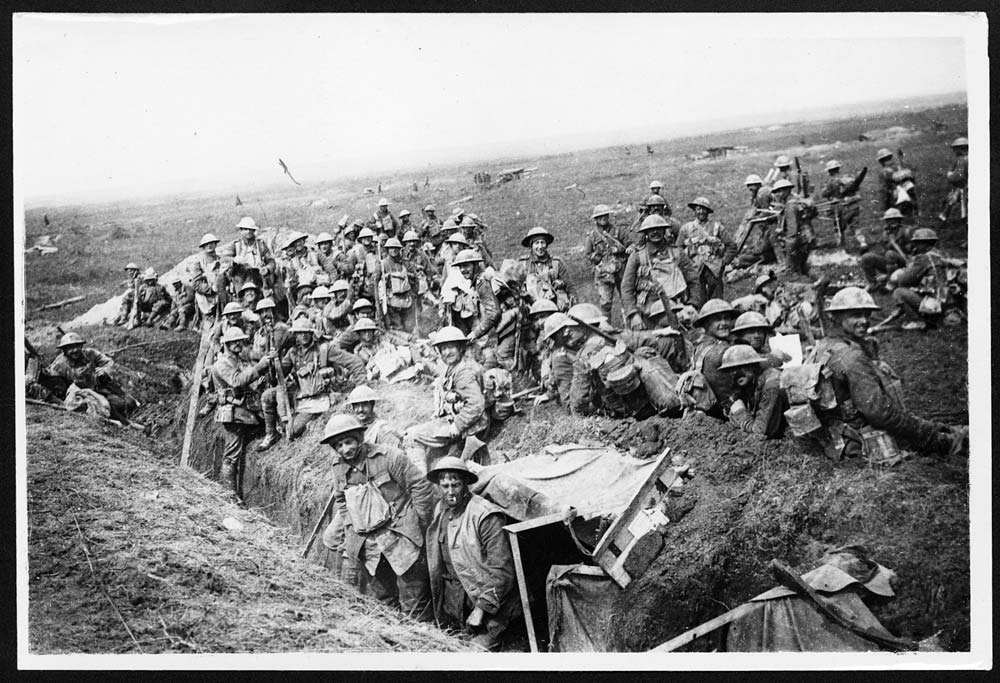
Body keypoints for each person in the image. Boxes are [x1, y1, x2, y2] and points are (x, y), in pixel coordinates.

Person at [805, 287, 966, 459]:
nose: (864, 321)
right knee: (952, 441)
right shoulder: (851, 357)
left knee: (939, 428)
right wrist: (927, 432)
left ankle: (941, 429)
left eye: (866, 314)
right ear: (836, 317)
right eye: (855, 315)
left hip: (830, 432)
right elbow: (880, 414)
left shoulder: (824, 345)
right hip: (854, 438)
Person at [320, 414, 434, 621]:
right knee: (383, 600)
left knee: (414, 598)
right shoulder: (339, 469)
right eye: (338, 445)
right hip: (371, 545)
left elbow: (420, 486)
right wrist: (351, 525)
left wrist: (420, 523)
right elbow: (341, 500)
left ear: (359, 438)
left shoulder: (388, 457)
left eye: (348, 442)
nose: (345, 449)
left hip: (401, 537)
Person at [425, 457, 520, 651]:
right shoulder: (440, 511)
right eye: (444, 486)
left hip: (492, 608)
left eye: (455, 485)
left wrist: (480, 610)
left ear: (466, 484)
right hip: (457, 604)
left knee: (474, 654)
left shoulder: (485, 515)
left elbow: (502, 571)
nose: (450, 492)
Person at [259, 319, 365, 449]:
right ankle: (271, 434)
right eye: (299, 333)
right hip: (301, 394)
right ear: (295, 335)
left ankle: (293, 422)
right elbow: (278, 378)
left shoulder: (324, 349)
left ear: (311, 333)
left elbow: (355, 363)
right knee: (267, 396)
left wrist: (361, 389)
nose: (303, 335)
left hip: (319, 398)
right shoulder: (293, 353)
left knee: (293, 431)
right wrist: (273, 363)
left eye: (306, 332)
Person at [407, 326, 490, 471]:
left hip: (467, 426)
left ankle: (420, 483)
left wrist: (457, 425)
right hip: (463, 421)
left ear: (460, 348)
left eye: (451, 347)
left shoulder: (464, 372)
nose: (447, 352)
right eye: (443, 348)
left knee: (412, 436)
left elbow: (476, 404)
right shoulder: (455, 366)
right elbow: (439, 372)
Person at [210, 327, 274, 502]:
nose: (238, 344)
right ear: (226, 344)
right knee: (232, 454)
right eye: (234, 342)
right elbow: (237, 381)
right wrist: (259, 367)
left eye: (240, 341)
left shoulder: (239, 361)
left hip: (245, 410)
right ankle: (229, 496)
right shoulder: (222, 363)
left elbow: (248, 381)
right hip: (233, 412)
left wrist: (260, 376)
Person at [47, 332, 139, 424]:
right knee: (106, 406)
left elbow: (109, 362)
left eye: (77, 346)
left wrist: (104, 371)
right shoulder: (58, 365)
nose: (75, 350)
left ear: (81, 346)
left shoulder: (91, 353)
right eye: (70, 348)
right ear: (64, 350)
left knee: (128, 403)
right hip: (79, 394)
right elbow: (56, 386)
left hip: (100, 388)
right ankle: (121, 421)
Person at [621, 214, 692, 331]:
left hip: (676, 308)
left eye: (658, 229)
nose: (655, 232)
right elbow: (626, 287)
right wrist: (633, 315)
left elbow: (692, 279)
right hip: (647, 312)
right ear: (646, 233)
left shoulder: (677, 253)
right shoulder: (638, 256)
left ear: (664, 230)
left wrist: (692, 304)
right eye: (651, 230)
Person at [677, 197, 736, 306]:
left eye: (704, 209)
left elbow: (731, 246)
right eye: (699, 209)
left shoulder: (717, 227)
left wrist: (724, 262)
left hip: (714, 269)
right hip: (694, 268)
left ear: (708, 211)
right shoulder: (686, 229)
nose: (701, 212)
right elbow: (678, 249)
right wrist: (686, 265)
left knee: (717, 301)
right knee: (697, 299)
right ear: (694, 210)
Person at [717, 345, 787, 438]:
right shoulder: (751, 382)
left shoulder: (771, 385)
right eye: (731, 370)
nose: (736, 373)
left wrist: (740, 413)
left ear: (754, 366)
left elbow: (761, 431)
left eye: (742, 367)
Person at [888, 228, 951, 331]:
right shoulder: (942, 254)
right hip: (948, 300)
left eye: (917, 243)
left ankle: (917, 321)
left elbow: (905, 280)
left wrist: (900, 274)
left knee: (899, 292)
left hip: (935, 304)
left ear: (924, 244)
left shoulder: (924, 258)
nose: (915, 246)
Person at [442, 249, 499, 356]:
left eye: (466, 266)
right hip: (485, 334)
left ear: (475, 265)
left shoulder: (482, 283)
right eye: (460, 267)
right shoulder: (473, 282)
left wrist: (475, 333)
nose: (463, 270)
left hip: (490, 337)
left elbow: (493, 313)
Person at [690, 298, 738, 413]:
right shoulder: (720, 350)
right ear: (706, 324)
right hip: (726, 410)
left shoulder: (699, 345)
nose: (724, 323)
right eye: (717, 319)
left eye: (726, 318)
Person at [584, 204, 631, 320]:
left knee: (626, 299)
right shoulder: (592, 236)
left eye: (605, 215)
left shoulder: (619, 231)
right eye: (600, 216)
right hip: (604, 274)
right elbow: (588, 255)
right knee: (605, 303)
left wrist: (621, 249)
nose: (603, 218)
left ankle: (629, 327)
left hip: (621, 271)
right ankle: (607, 330)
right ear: (596, 219)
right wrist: (596, 264)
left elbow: (630, 245)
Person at [218, 216, 276, 310]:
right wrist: (235, 260)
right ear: (241, 231)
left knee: (269, 293)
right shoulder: (235, 245)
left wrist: (267, 269)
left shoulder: (260, 244)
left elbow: (271, 261)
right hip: (240, 276)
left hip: (258, 276)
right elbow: (224, 259)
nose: (248, 232)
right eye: (245, 229)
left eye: (250, 229)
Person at [518, 226, 574, 312]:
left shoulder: (556, 263)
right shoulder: (523, 264)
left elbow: (570, 288)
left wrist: (574, 308)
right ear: (531, 246)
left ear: (546, 245)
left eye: (542, 242)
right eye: (536, 243)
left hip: (555, 308)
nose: (540, 247)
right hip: (531, 309)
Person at [859, 208, 911, 292]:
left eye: (894, 219)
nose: (892, 222)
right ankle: (873, 283)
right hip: (890, 262)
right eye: (889, 220)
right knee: (867, 257)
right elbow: (884, 251)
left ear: (899, 220)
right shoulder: (886, 233)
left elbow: (912, 252)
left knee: (890, 254)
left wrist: (894, 243)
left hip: (904, 263)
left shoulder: (906, 231)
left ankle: (890, 284)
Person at [770, 178, 814, 275]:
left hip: (799, 241)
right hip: (807, 237)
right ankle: (821, 280)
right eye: (775, 192)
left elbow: (793, 232)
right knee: (803, 266)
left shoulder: (790, 207)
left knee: (792, 269)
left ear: (786, 190)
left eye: (778, 191)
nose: (776, 194)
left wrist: (789, 251)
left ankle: (807, 285)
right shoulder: (798, 200)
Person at [373, 237, 418, 333]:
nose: (393, 250)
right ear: (387, 249)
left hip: (407, 300)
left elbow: (415, 278)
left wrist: (414, 293)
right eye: (391, 248)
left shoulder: (405, 263)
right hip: (391, 302)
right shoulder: (382, 264)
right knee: (397, 328)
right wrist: (378, 302)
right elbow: (375, 283)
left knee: (409, 327)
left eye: (396, 248)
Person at [820, 160, 861, 251]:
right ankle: (863, 243)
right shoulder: (848, 178)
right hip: (853, 205)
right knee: (855, 227)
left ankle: (841, 248)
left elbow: (824, 194)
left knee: (838, 229)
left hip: (839, 208)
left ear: (830, 171)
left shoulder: (831, 181)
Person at [345, 384, 402, 449]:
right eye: (356, 405)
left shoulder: (383, 430)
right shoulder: (354, 429)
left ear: (372, 405)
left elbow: (397, 455)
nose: (360, 409)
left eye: (365, 404)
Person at [190, 233, 222, 321]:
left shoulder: (220, 259)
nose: (209, 246)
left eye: (212, 243)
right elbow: (195, 283)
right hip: (207, 298)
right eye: (206, 244)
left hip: (222, 293)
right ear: (203, 247)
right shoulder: (199, 263)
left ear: (215, 244)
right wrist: (210, 289)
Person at [939, 137, 968, 224]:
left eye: (955, 149)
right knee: (954, 199)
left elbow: (958, 177)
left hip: (965, 187)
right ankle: (944, 216)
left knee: (958, 200)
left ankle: (945, 217)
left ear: (961, 148)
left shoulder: (962, 160)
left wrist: (949, 175)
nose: (954, 151)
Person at [111, 262, 142, 326]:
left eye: (131, 271)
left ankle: (124, 318)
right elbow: (129, 283)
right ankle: (121, 318)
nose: (129, 272)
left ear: (135, 270)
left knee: (127, 299)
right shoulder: (133, 278)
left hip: (140, 294)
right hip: (135, 293)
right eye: (128, 271)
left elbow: (140, 287)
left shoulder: (140, 277)